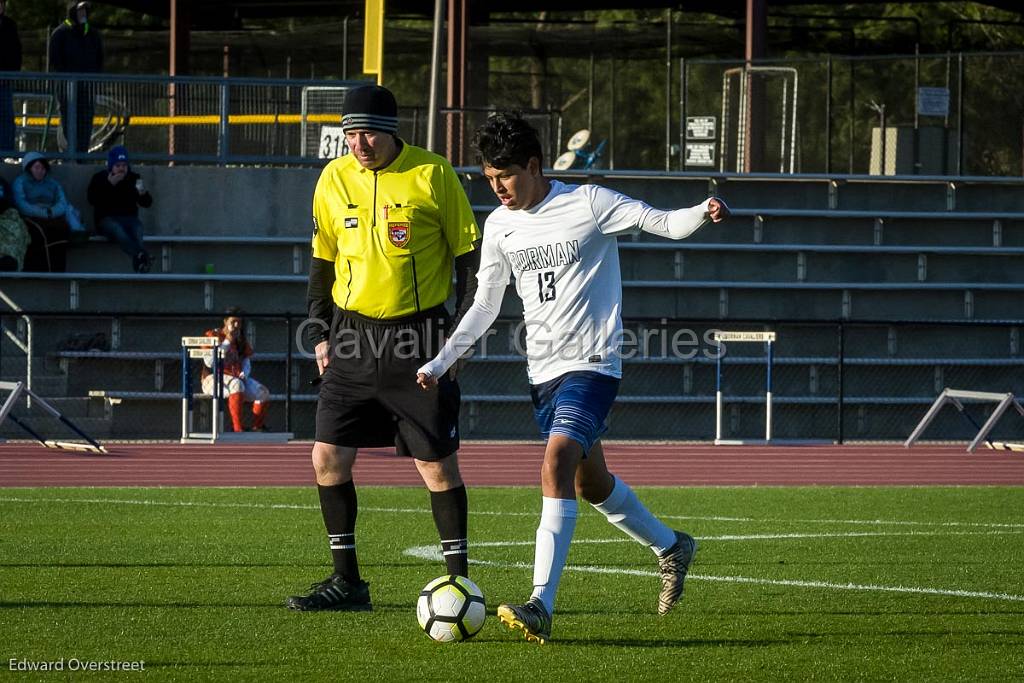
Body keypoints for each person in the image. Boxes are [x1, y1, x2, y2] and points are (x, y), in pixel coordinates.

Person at [417, 112, 730, 644]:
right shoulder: (500, 225)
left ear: (535, 166)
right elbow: (485, 304)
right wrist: (440, 361)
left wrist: (703, 209)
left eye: (507, 177)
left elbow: (662, 221)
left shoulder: (589, 203)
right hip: (542, 374)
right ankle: (671, 546)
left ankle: (541, 602)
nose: (498, 189)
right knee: (591, 483)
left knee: (556, 462)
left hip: (593, 365)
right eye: (490, 180)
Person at [288, 84, 481, 612]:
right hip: (350, 337)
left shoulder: (433, 174)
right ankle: (347, 582)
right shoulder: (333, 178)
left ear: (393, 131)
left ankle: (459, 585)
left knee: (437, 467)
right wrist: (321, 332)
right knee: (327, 457)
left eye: (368, 131)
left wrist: (458, 338)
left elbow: (471, 262)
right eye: (350, 133)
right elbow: (321, 263)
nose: (358, 143)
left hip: (417, 338)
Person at [201, 308, 270, 433]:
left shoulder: (240, 339)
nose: (237, 325)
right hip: (212, 378)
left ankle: (257, 427)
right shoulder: (213, 335)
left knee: (263, 392)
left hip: (235, 376)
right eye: (233, 322)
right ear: (225, 321)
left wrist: (245, 372)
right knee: (236, 385)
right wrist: (228, 341)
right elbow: (210, 363)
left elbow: (246, 360)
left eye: (239, 322)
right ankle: (237, 428)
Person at [12, 151, 83, 272]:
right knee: (40, 232)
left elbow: (62, 202)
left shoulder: (52, 183)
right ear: (29, 168)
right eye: (37, 168)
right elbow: (21, 204)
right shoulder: (21, 182)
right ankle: (41, 269)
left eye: (43, 168)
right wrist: (41, 213)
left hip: (51, 214)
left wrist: (51, 212)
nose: (40, 171)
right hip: (31, 216)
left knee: (61, 229)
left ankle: (58, 270)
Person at [87, 145, 153, 272]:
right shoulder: (100, 178)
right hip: (107, 220)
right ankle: (142, 256)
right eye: (118, 166)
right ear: (111, 166)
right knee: (118, 229)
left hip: (129, 218)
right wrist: (110, 185)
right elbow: (92, 199)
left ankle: (139, 260)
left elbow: (147, 203)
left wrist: (143, 193)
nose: (121, 169)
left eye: (124, 165)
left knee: (138, 228)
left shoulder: (134, 178)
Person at [48, 1, 103, 155]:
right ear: (72, 12)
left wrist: (94, 80)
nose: (83, 13)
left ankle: (82, 156)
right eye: (79, 10)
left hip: (88, 89)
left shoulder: (93, 34)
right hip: (67, 91)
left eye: (85, 10)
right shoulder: (60, 33)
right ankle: (68, 156)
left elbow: (99, 61)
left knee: (85, 123)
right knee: (69, 123)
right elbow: (55, 62)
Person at [0, 0, 22, 155]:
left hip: (5, 81)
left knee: (7, 116)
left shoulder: (9, 24)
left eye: (2, 3)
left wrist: (14, 71)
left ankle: (6, 152)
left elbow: (16, 49)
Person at [0, 176, 29, 270]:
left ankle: (8, 261)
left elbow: (7, 200)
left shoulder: (2, 183)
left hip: (5, 214)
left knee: (16, 230)